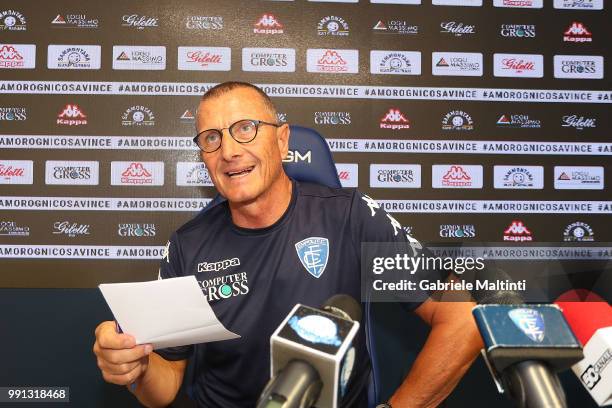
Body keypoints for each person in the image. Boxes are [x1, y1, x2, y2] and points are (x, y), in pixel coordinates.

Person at [93, 82, 483, 407]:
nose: (229, 151)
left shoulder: (350, 217)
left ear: (282, 141)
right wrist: (138, 367)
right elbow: (165, 386)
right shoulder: (187, 246)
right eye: (212, 138)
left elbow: (462, 317)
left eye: (245, 128)